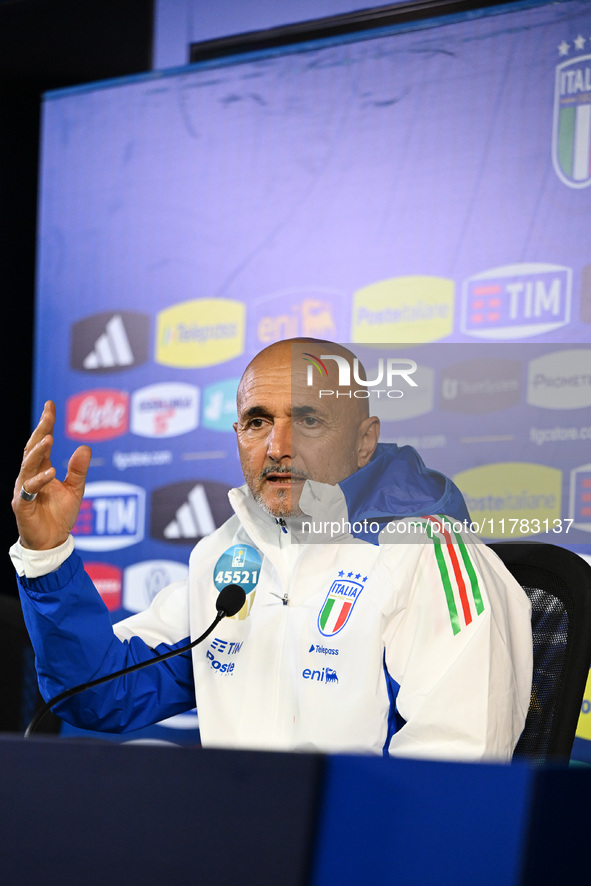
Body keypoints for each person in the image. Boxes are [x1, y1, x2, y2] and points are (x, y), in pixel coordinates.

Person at [11, 339, 532, 759]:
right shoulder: (225, 554)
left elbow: (455, 776)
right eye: (258, 421)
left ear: (364, 440)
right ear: (238, 433)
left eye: (308, 420)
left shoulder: (425, 554)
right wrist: (49, 554)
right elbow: (97, 691)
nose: (278, 446)